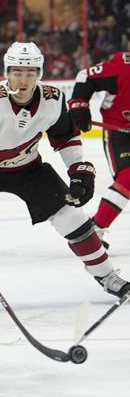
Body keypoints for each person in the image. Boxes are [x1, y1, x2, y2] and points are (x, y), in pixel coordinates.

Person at [0, 42, 130, 316]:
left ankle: (108, 276)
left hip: (28, 168)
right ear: (7, 73)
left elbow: (65, 137)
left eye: (30, 73)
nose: (23, 80)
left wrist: (77, 168)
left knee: (72, 217)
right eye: (17, 72)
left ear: (39, 73)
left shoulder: (53, 100)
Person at [67, 51, 130, 249]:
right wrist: (79, 105)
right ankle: (95, 229)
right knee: (128, 177)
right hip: (120, 133)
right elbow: (86, 76)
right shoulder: (123, 66)